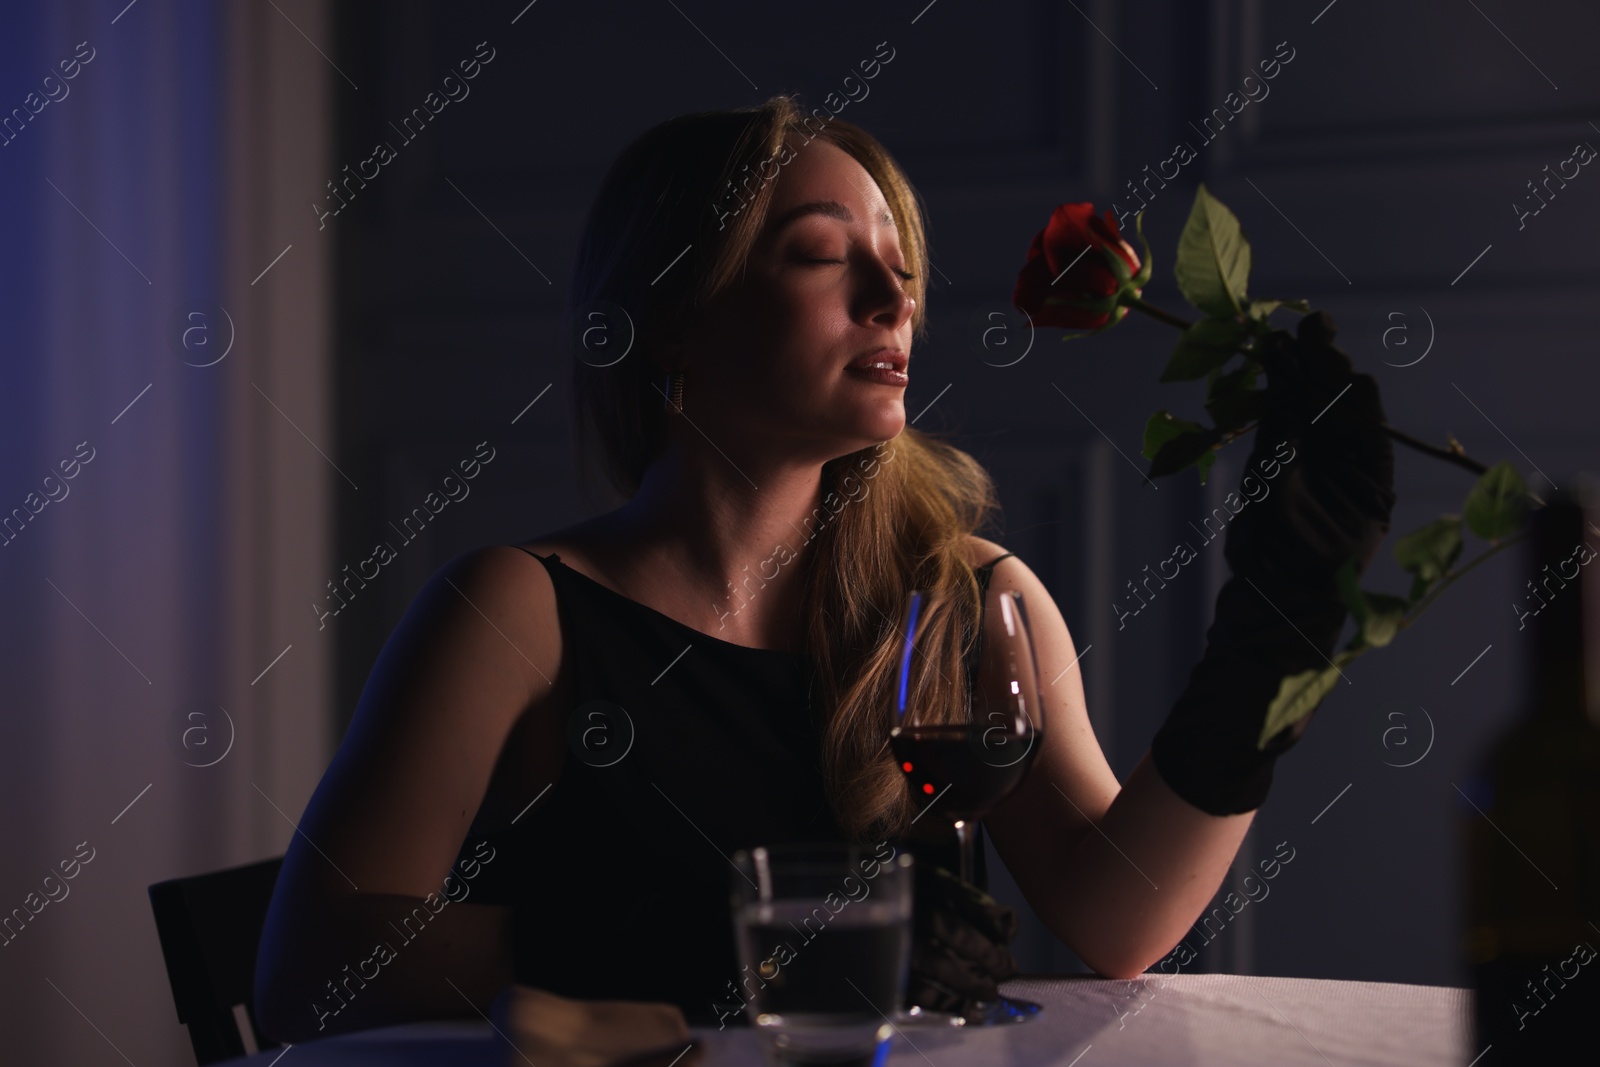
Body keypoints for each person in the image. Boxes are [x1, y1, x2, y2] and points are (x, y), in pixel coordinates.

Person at [253, 94, 1393, 1041]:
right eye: (816, 255)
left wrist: (1271, 633)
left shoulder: (971, 599)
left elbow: (1121, 915)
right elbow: (312, 960)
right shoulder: (515, 607)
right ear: (673, 319)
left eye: (898, 267)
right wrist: (701, 937)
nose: (893, 300)